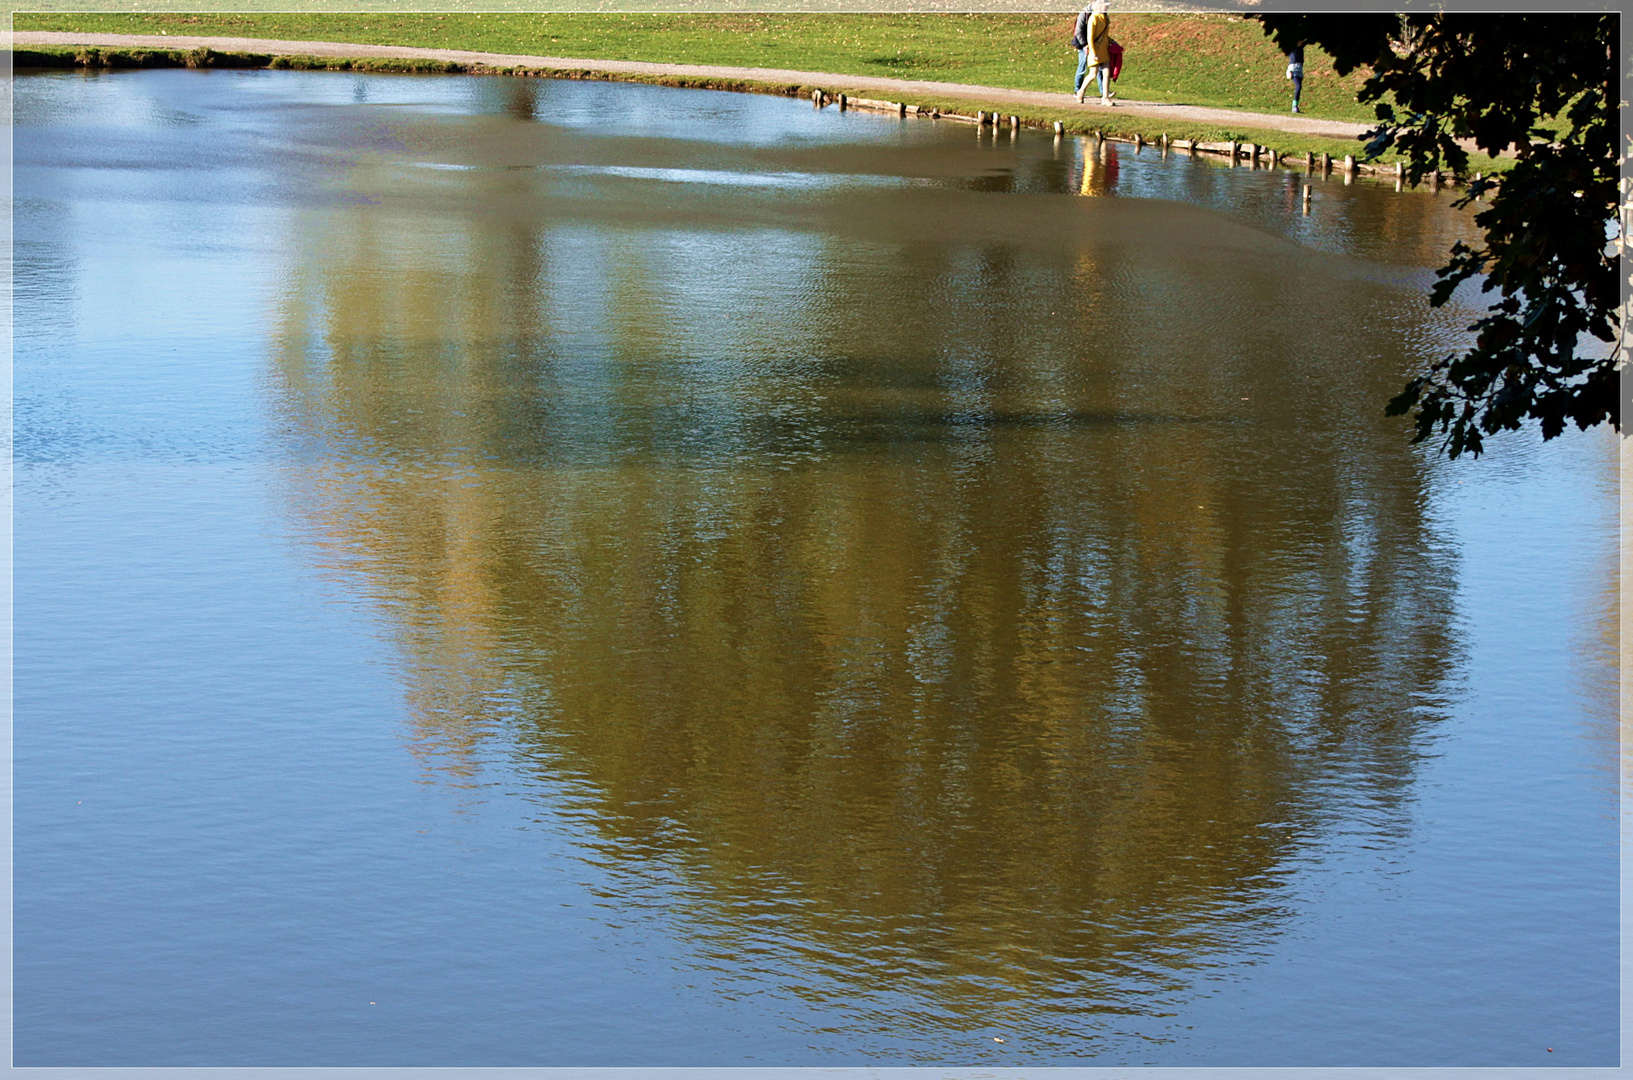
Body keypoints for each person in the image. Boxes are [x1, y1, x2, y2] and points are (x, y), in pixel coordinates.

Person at [1073, 0, 1114, 107]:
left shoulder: (1104, 18)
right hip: (1095, 51)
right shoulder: (1094, 18)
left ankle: (1105, 98)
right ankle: (1080, 92)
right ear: (1100, 6)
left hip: (1104, 50)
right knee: (1092, 74)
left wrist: (1113, 42)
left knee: (1106, 73)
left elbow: (1104, 35)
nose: (1107, 8)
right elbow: (1090, 37)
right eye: (1105, 6)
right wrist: (1093, 51)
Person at [1286, 45, 1304, 113]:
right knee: (1298, 86)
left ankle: (1295, 106)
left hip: (1300, 69)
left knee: (1299, 88)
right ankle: (1294, 106)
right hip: (1293, 68)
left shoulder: (1301, 47)